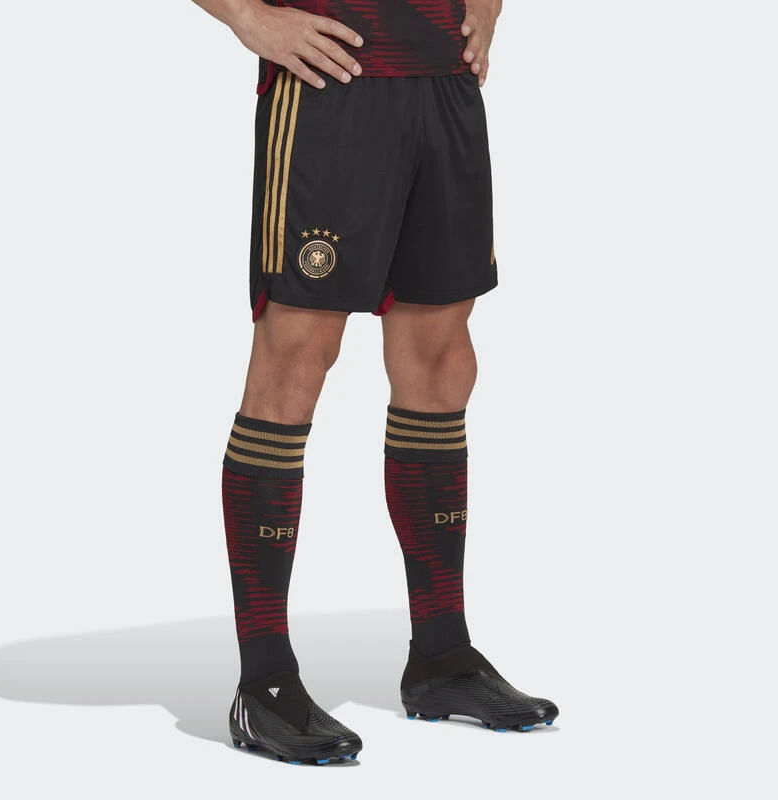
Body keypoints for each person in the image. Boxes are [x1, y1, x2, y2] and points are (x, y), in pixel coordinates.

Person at [190, 0, 558, 765]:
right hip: (330, 80)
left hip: (444, 81)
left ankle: (441, 656)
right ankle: (264, 683)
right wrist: (247, 16)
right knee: (297, 358)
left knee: (442, 359)